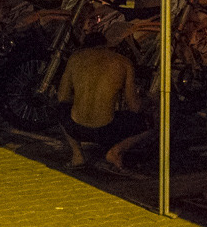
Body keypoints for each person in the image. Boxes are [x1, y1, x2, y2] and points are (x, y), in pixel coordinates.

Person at [55, 31, 151, 175]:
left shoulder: (75, 58)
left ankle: (77, 155)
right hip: (107, 131)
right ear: (106, 44)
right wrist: (148, 101)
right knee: (151, 124)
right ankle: (116, 151)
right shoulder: (123, 62)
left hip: (75, 128)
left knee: (60, 109)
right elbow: (134, 107)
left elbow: (62, 97)